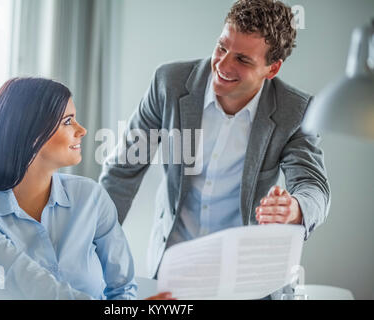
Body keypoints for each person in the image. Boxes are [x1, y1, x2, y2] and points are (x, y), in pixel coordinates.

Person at [99, 0, 331, 298]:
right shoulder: (169, 84)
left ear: (272, 68)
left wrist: (296, 208)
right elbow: (121, 171)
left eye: (243, 60)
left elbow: (314, 186)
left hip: (248, 280)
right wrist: (92, 245)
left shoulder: (294, 112)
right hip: (173, 268)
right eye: (221, 47)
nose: (222, 66)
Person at [0, 78, 172, 300]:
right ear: (30, 131)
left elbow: (123, 289)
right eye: (68, 121)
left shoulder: (90, 197)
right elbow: (31, 285)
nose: (82, 130)